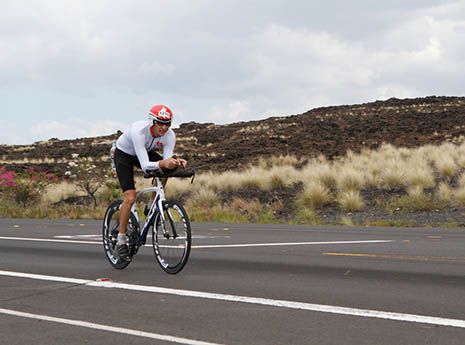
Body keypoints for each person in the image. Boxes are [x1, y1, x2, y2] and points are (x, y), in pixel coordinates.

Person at [113, 104, 187, 261]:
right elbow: (146, 166)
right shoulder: (138, 131)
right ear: (152, 121)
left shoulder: (170, 136)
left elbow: (166, 162)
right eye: (160, 123)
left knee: (166, 170)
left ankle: (151, 205)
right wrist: (163, 163)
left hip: (144, 152)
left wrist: (174, 163)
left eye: (168, 124)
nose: (164, 127)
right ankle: (120, 240)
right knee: (130, 197)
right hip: (124, 155)